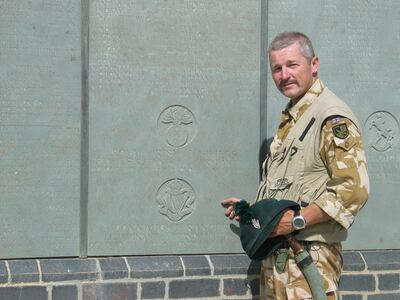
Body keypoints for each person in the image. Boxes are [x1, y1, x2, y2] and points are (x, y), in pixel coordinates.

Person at [222, 32, 369, 299]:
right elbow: (291, 190)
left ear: (314, 64)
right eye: (277, 68)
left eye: (292, 65)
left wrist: (296, 221)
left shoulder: (331, 116)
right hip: (278, 260)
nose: (284, 75)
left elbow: (353, 190)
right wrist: (253, 212)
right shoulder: (294, 117)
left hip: (308, 259)